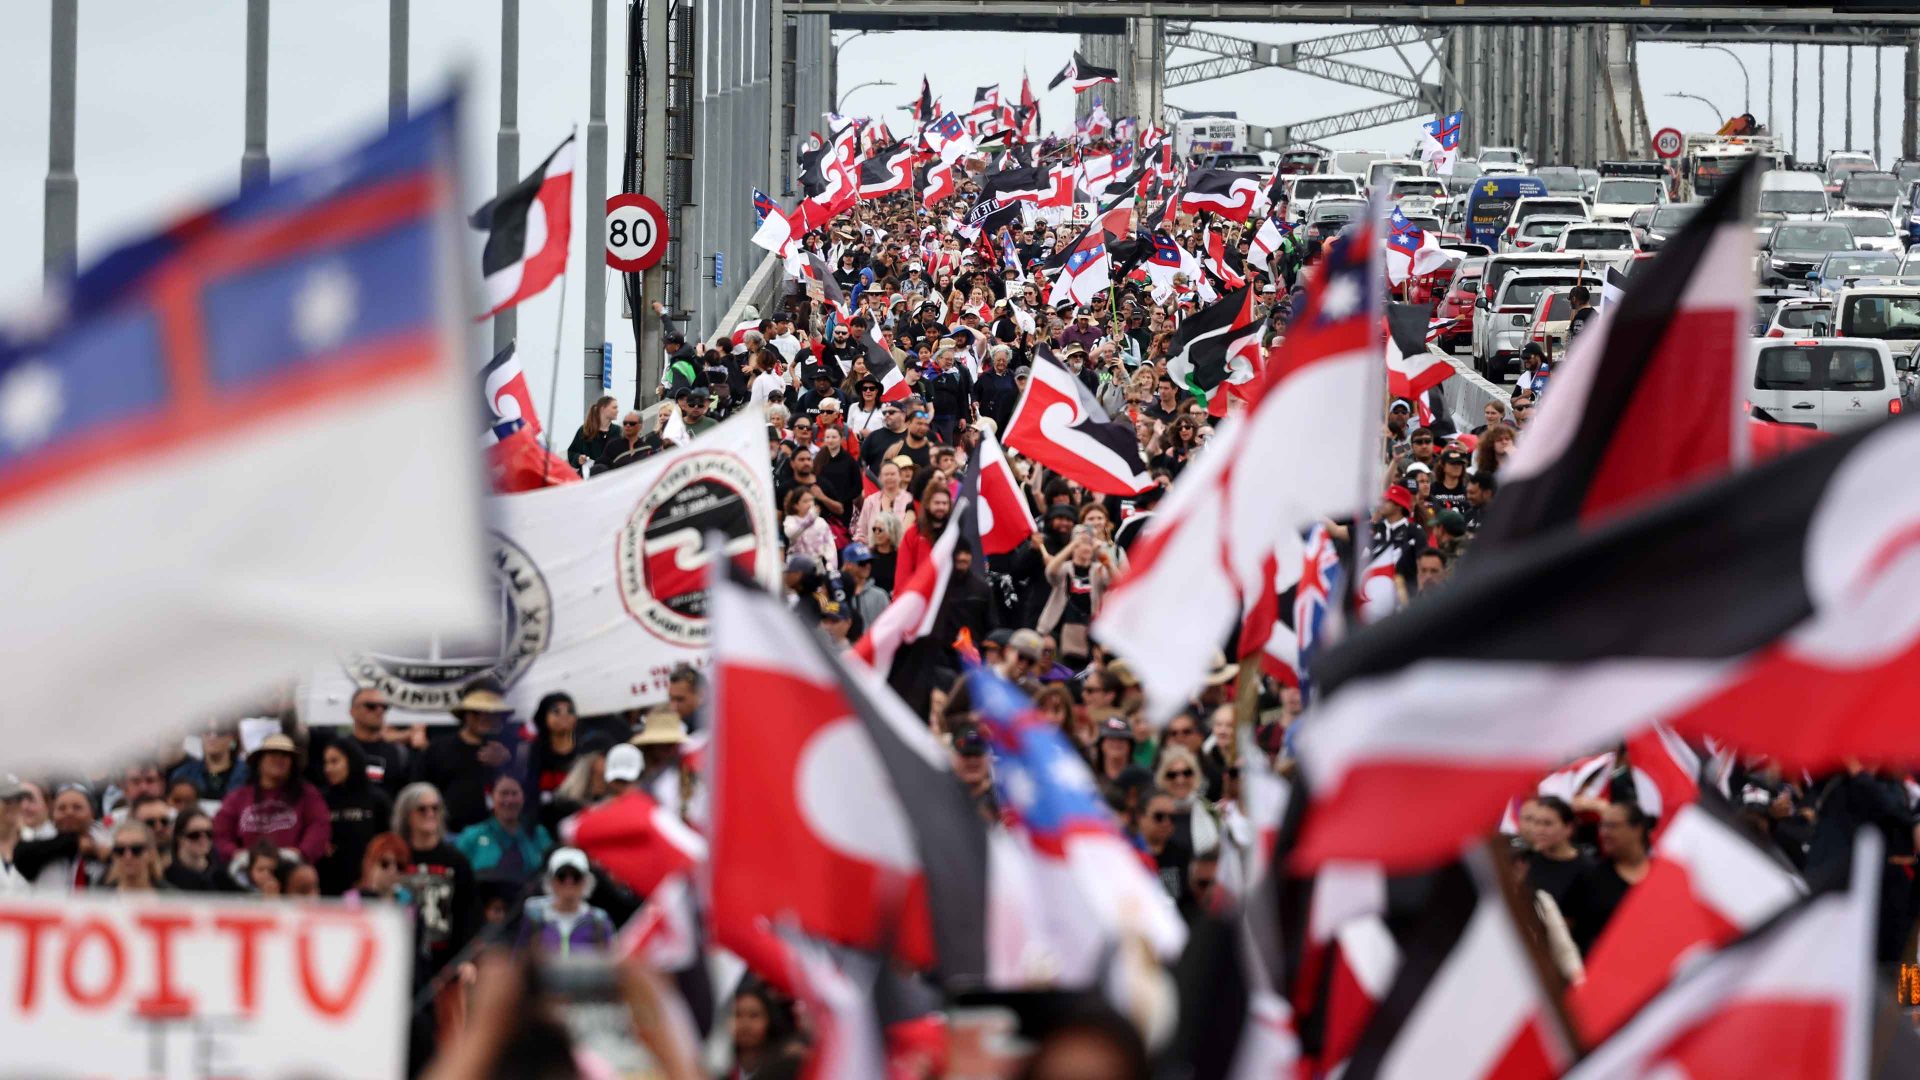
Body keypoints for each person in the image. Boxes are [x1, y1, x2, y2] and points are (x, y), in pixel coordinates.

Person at [393, 782, 478, 980]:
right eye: (422, 809)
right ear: (407, 815)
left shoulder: (456, 860)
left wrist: (467, 959)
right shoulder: (394, 858)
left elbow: (469, 913)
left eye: (435, 808)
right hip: (402, 960)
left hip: (446, 963)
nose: (430, 813)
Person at [212, 733, 330, 869]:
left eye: (285, 755)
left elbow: (319, 827)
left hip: (293, 871)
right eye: (273, 753)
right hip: (246, 871)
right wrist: (236, 854)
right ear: (260, 760)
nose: (279, 759)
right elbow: (220, 832)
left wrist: (301, 853)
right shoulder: (238, 796)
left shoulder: (309, 795)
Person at [416, 681, 516, 833]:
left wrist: (505, 765)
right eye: (477, 712)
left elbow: (522, 796)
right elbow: (418, 792)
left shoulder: (511, 750)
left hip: (497, 835)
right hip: (448, 834)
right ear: (465, 713)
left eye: (492, 712)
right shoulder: (439, 748)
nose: (484, 717)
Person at [1563, 802, 1655, 956]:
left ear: (1637, 829)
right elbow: (1563, 929)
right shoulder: (1589, 875)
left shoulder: (1660, 878)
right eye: (1602, 826)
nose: (1604, 833)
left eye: (1612, 826)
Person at [319, 739, 394, 896]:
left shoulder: (377, 799)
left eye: (334, 761)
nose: (328, 768)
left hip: (369, 886)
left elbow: (387, 842)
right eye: (326, 763)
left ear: (351, 761)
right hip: (329, 886)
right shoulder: (321, 799)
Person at [454, 775, 553, 889]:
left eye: (514, 793)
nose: (509, 800)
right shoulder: (472, 836)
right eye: (504, 793)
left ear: (523, 798)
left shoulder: (538, 834)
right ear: (492, 797)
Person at [515, 847, 618, 957]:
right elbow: (518, 963)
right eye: (562, 876)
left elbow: (613, 962)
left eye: (576, 876)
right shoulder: (534, 919)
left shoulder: (599, 921)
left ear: (586, 881)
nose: (569, 882)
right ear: (551, 881)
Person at [726, 977, 804, 1080]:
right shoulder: (720, 1066)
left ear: (770, 1019)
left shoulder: (786, 1065)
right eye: (737, 1015)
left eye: (754, 1015)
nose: (745, 1024)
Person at [171, 721, 249, 800]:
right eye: (207, 732)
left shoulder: (248, 774)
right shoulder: (183, 774)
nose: (212, 737)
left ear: (233, 738)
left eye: (220, 733)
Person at [781, 487, 839, 573]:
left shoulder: (820, 522)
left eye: (812, 500)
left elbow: (830, 547)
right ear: (796, 505)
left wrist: (831, 569)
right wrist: (809, 520)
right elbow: (791, 533)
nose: (810, 504)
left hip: (817, 568)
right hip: (796, 569)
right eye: (805, 501)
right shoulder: (790, 520)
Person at [164, 809, 223, 892]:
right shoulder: (167, 876)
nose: (203, 839)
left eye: (209, 834)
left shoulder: (220, 876)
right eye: (194, 835)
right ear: (179, 837)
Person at [101, 821, 168, 892]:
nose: (128, 856)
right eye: (120, 850)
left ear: (151, 853)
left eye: (136, 849)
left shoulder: (172, 897)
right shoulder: (98, 899)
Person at [568, 395, 620, 474]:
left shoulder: (619, 431)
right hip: (589, 478)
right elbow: (572, 452)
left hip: (611, 478)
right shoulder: (584, 430)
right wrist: (578, 458)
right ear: (603, 409)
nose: (617, 411)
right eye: (614, 408)